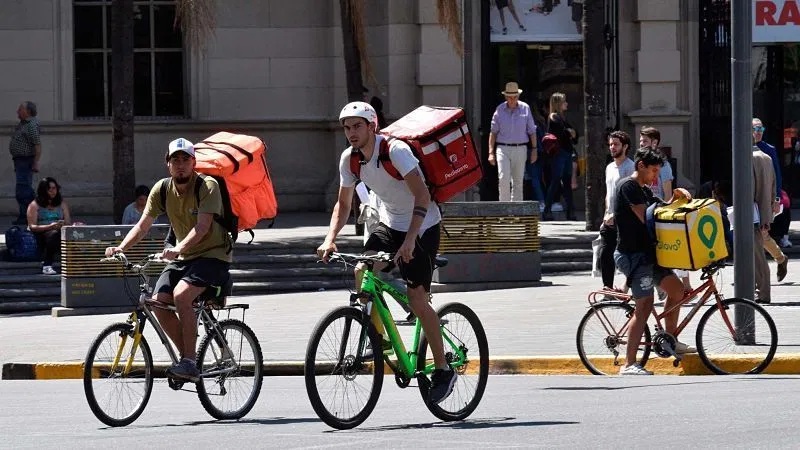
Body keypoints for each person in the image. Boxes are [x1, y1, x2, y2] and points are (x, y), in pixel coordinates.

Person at [317, 101, 456, 405]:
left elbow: (423, 195)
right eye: (346, 127)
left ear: (372, 127)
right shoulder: (350, 160)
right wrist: (330, 239)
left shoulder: (396, 152)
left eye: (357, 126)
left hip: (423, 226)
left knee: (418, 300)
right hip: (390, 223)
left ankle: (444, 368)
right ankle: (376, 334)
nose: (351, 133)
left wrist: (409, 241)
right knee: (362, 270)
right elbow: (343, 204)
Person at [105, 138, 232, 381]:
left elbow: (203, 227)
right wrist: (121, 248)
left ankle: (189, 361)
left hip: (213, 255)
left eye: (186, 160)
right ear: (168, 164)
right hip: (184, 257)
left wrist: (178, 248)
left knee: (181, 296)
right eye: (176, 160)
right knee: (157, 302)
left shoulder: (207, 186)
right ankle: (188, 356)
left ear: (194, 163)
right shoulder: (162, 189)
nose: (181, 165)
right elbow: (142, 226)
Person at [614, 146, 696, 376]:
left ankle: (670, 339)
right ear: (640, 166)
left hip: (650, 255)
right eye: (653, 171)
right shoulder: (628, 187)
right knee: (644, 306)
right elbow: (648, 217)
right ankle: (629, 364)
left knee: (677, 291)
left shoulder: (646, 191)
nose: (656, 177)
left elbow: (661, 209)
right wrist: (667, 207)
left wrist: (675, 200)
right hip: (633, 256)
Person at [488, 82, 538, 202]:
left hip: (520, 148)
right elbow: (493, 132)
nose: (512, 99)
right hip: (502, 148)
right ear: (505, 97)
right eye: (510, 97)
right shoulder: (499, 110)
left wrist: (534, 150)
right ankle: (504, 211)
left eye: (515, 96)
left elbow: (532, 131)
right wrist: (491, 152)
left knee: (518, 181)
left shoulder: (525, 108)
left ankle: (516, 213)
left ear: (518, 96)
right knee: (503, 179)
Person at [597, 131, 634, 290]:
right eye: (611, 144)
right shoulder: (609, 167)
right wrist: (607, 213)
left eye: (616, 144)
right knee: (605, 254)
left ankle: (627, 286)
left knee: (626, 254)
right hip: (609, 218)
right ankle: (608, 288)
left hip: (624, 219)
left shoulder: (630, 167)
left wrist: (617, 215)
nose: (612, 147)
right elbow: (608, 193)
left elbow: (629, 195)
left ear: (625, 146)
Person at [752, 118, 788, 282]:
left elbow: (777, 175)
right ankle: (780, 258)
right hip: (750, 198)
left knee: (762, 233)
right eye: (755, 129)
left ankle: (760, 275)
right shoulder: (743, 148)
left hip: (765, 197)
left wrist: (776, 198)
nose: (758, 133)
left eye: (761, 129)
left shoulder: (769, 150)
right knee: (761, 235)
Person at [543, 92, 577, 221]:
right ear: (558, 103)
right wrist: (570, 133)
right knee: (556, 180)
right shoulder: (554, 117)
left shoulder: (562, 118)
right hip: (559, 153)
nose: (567, 103)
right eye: (564, 101)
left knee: (566, 182)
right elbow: (564, 133)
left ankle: (570, 211)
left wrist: (571, 133)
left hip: (566, 152)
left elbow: (574, 133)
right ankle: (547, 210)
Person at [27, 177, 71, 275]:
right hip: (41, 233)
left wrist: (64, 224)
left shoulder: (62, 204)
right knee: (54, 235)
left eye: (54, 188)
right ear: (43, 191)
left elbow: (68, 222)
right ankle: (47, 265)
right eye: (49, 189)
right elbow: (32, 226)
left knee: (67, 234)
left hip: (59, 231)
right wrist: (50, 226)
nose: (52, 191)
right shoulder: (34, 205)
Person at [9, 101, 42, 225]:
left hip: (25, 160)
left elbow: (37, 145)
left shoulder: (31, 125)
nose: (17, 111)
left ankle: (31, 214)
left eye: (20, 109)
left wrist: (35, 162)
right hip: (20, 160)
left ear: (27, 111)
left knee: (24, 190)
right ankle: (25, 215)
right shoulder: (23, 124)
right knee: (22, 189)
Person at [752, 143, 777, 304]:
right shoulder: (766, 157)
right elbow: (773, 187)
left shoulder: (749, 159)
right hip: (763, 212)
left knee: (757, 256)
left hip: (751, 214)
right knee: (757, 255)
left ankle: (763, 293)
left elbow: (749, 188)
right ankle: (760, 291)